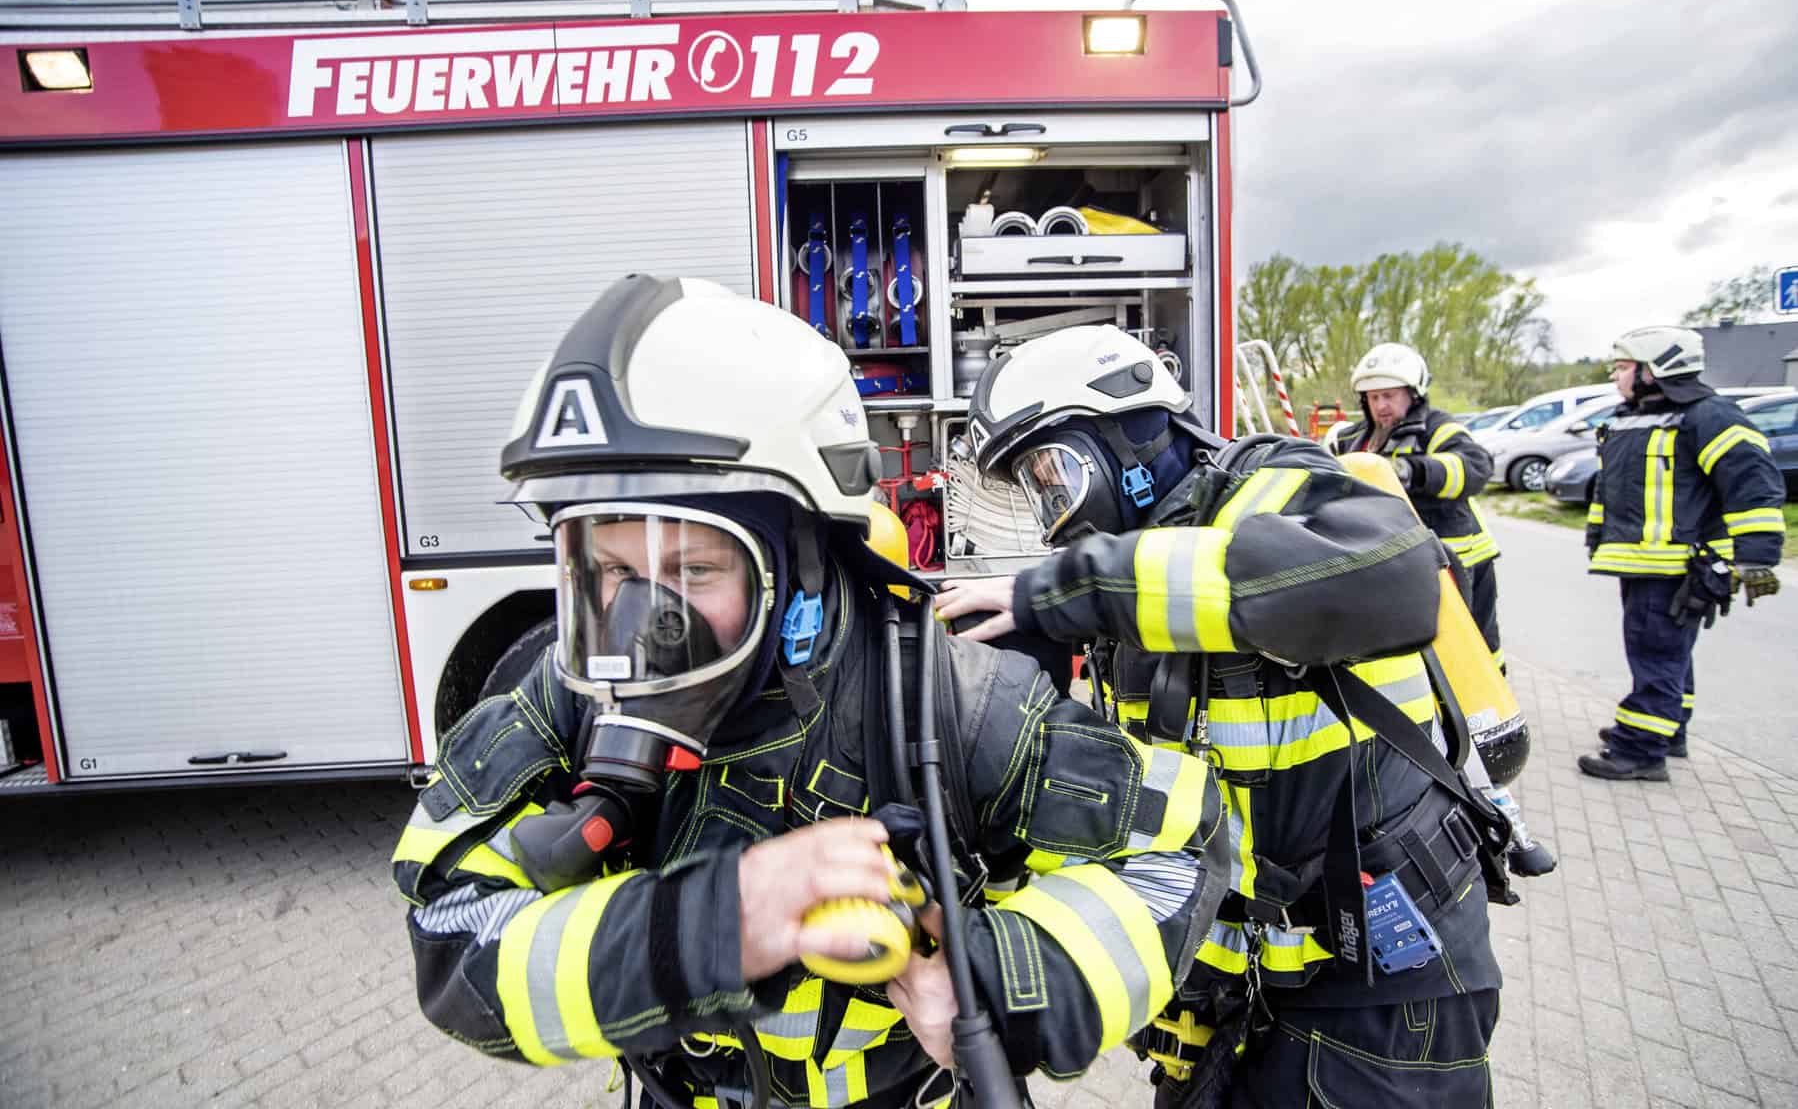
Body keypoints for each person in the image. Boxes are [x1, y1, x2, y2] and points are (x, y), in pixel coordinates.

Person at [392, 276, 1224, 1109]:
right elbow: (450, 927)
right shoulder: (575, 695)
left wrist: (993, 984)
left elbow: (1179, 851)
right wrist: (713, 926)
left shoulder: (956, 704)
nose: (641, 626)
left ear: (801, 564)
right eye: (610, 569)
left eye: (693, 569)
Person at [938, 325, 1513, 1108]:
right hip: (1255, 983)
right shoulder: (1140, 576)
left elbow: (1398, 579)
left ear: (1130, 439)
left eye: (1055, 475)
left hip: (1386, 993)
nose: (1053, 514)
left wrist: (1076, 589)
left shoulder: (1278, 485)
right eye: (1038, 490)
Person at [1329, 342, 1556, 878]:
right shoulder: (1354, 439)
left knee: (1473, 669)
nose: (1382, 405)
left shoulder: (1439, 429)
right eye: (1373, 397)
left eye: (1391, 395)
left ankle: (1490, 767)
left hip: (1459, 571)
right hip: (1400, 577)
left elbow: (1474, 469)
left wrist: (1412, 472)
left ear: (1414, 393)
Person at [1579, 326, 1784, 781]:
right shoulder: (1635, 418)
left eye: (1624, 367)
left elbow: (1752, 484)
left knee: (1655, 655)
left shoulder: (1708, 417)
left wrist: (1756, 557)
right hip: (1643, 563)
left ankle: (1640, 751)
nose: (1615, 375)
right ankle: (1668, 731)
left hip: (1679, 567)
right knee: (1668, 654)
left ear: (1655, 370)